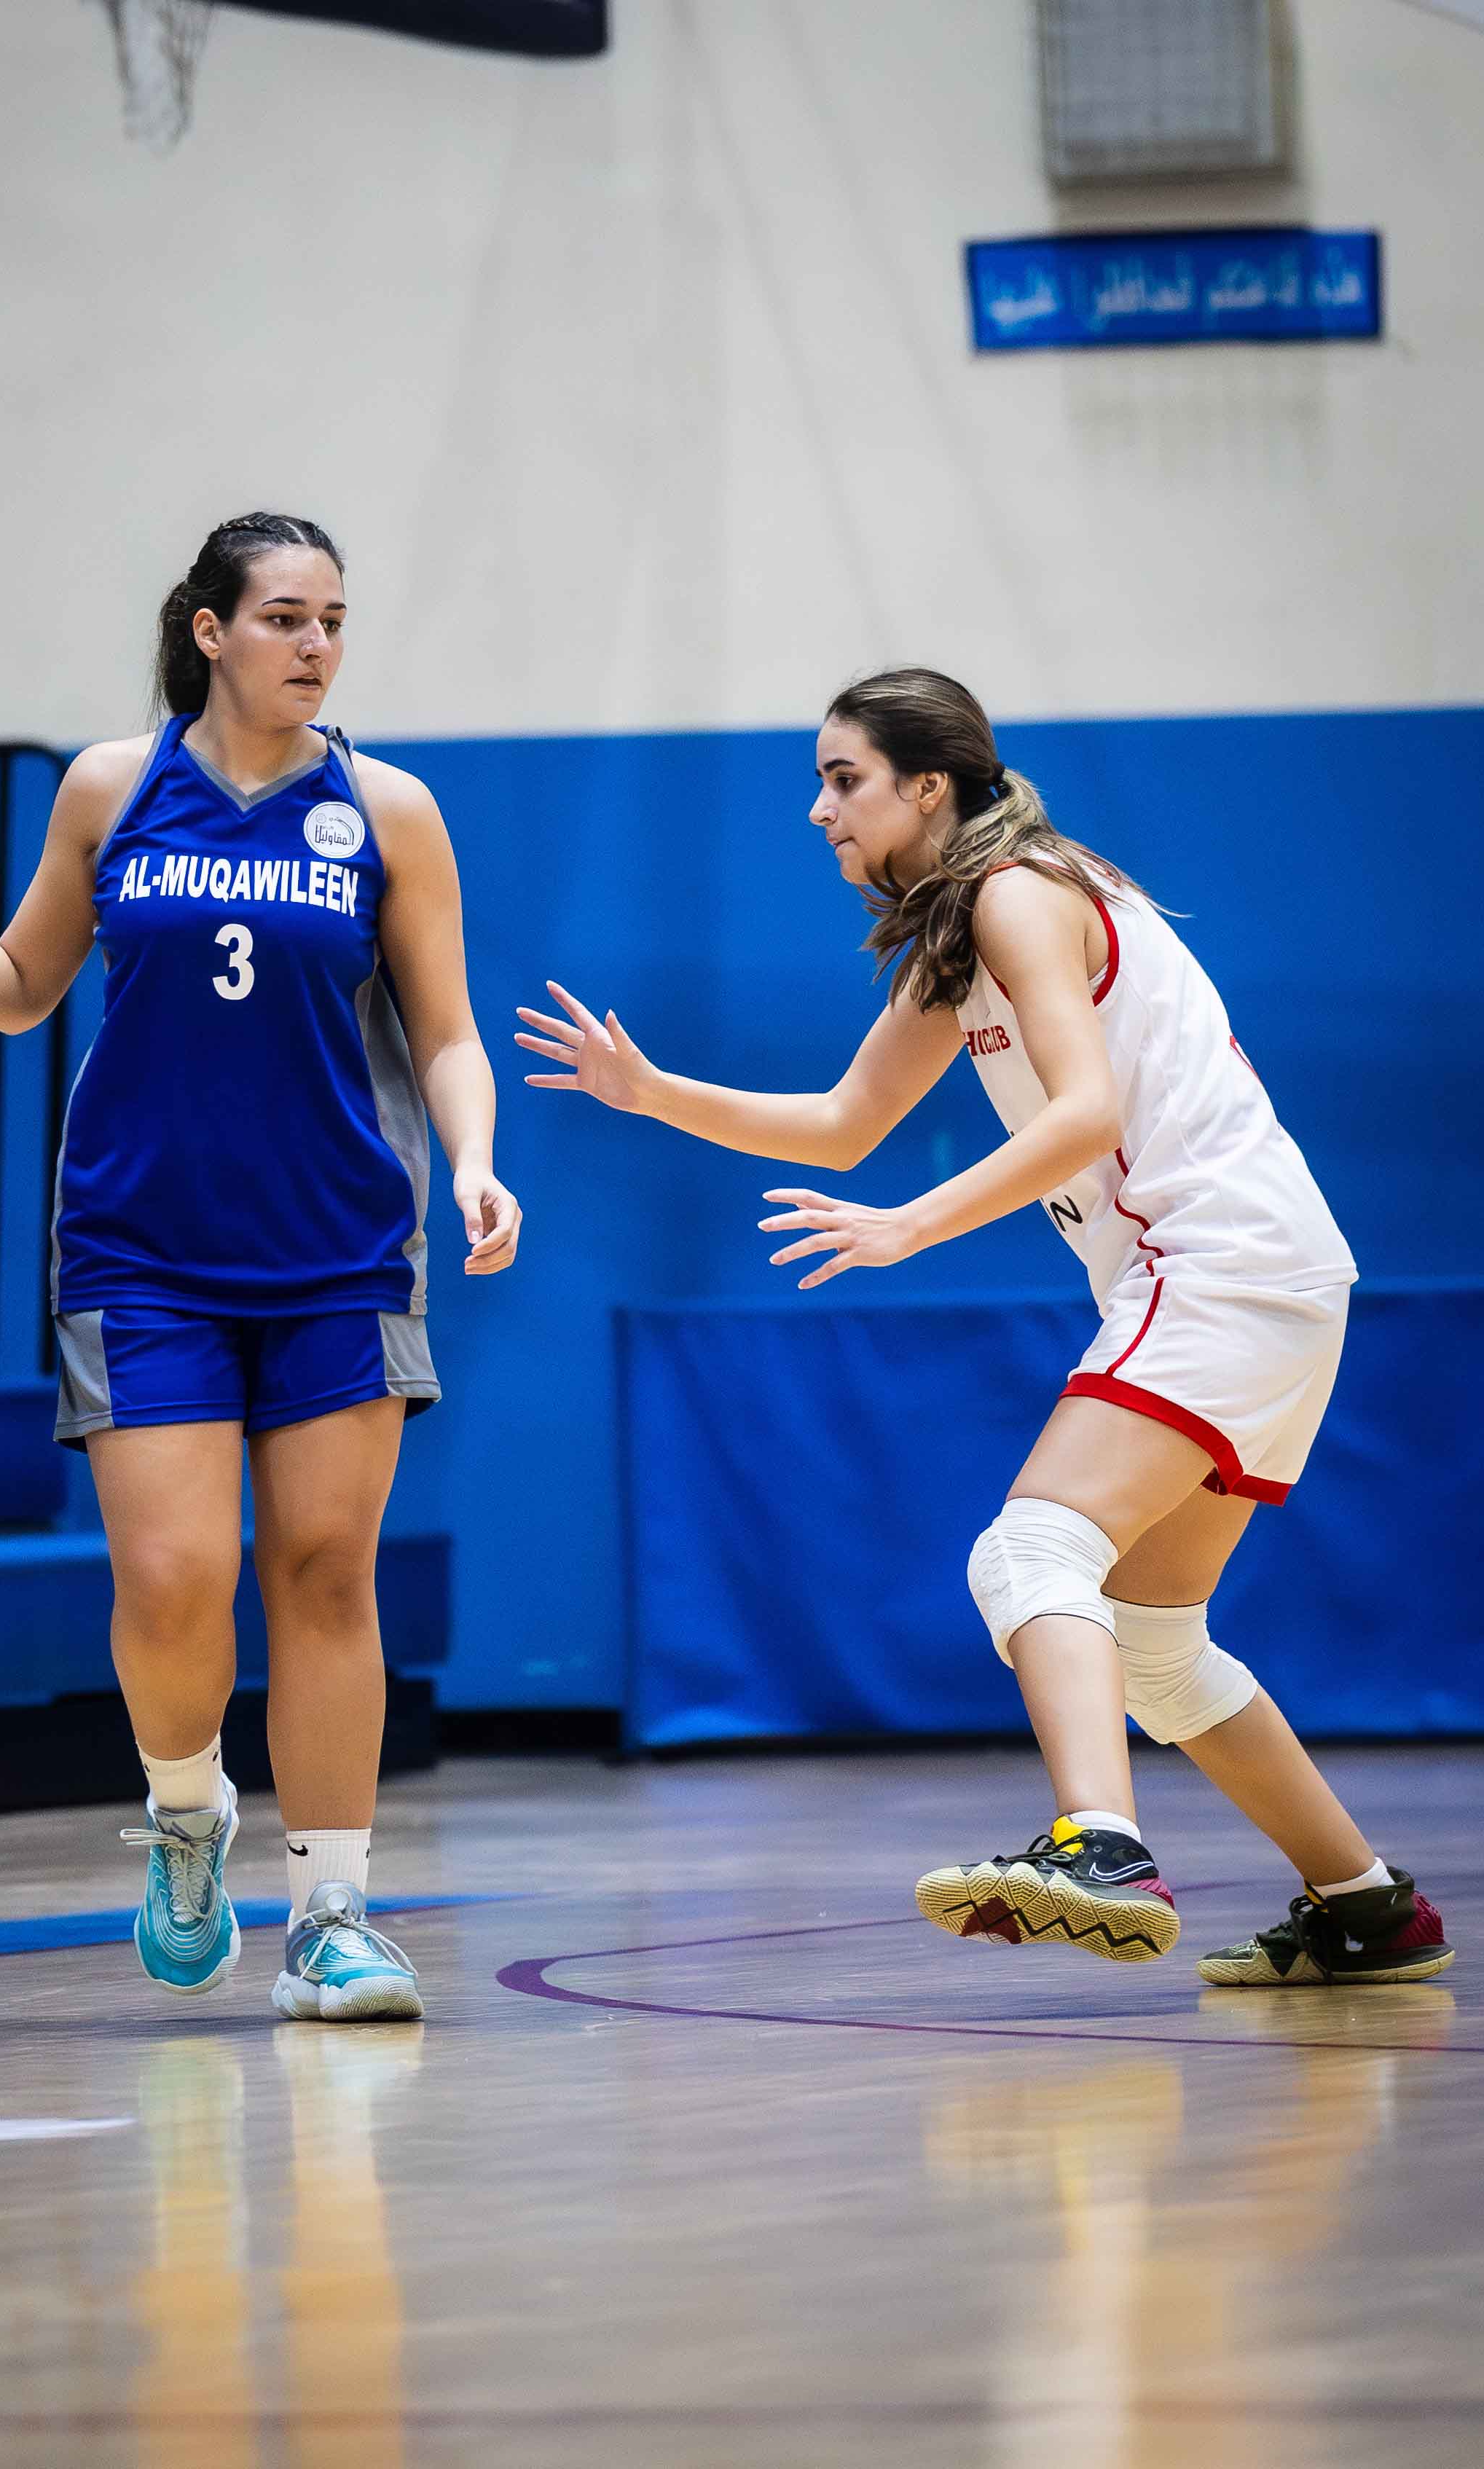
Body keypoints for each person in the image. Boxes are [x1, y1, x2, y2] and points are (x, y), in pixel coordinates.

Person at [517, 666, 1450, 1989]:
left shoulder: (1018, 891)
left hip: (1218, 1263)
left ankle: (1100, 1847)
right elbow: (844, 1122)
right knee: (1157, 1650)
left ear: (928, 786)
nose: (820, 810)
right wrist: (653, 1090)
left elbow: (1084, 1112)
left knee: (1029, 1550)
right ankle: (1367, 1906)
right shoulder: (962, 931)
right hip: (1273, 1278)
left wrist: (911, 1225)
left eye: (843, 779)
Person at [0, 511, 520, 2021]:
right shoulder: (111, 786)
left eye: (333, 620)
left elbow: (447, 1033)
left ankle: (332, 1916)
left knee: (326, 1571)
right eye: (284, 618)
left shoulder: (389, 809)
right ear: (210, 630)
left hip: (340, 1245)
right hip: (140, 1248)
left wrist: (474, 1160)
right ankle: (187, 1814)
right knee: (172, 1580)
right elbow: (21, 981)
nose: (317, 646)